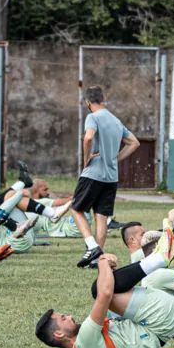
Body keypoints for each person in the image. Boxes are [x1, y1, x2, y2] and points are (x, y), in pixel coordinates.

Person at [35, 230, 174, 348]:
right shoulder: (85, 341)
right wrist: (102, 262)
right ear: (59, 333)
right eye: (64, 318)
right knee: (98, 290)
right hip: (161, 318)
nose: (70, 316)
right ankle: (159, 258)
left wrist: (106, 271)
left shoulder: (84, 343)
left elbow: (106, 289)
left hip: (161, 322)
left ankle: (159, 258)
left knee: (105, 286)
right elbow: (104, 294)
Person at [72, 86, 140, 267]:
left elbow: (88, 138)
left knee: (76, 209)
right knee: (101, 217)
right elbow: (134, 142)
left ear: (87, 102)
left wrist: (86, 159)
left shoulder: (92, 117)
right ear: (104, 98)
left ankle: (92, 246)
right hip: (111, 177)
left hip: (93, 173)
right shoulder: (116, 121)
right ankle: (96, 259)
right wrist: (114, 159)